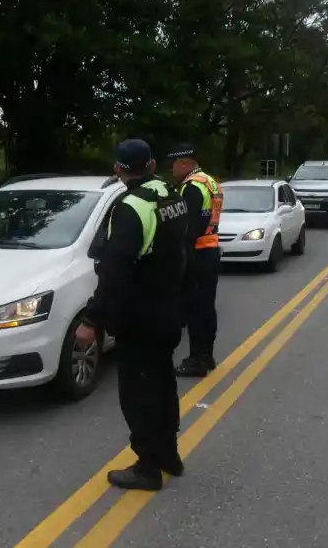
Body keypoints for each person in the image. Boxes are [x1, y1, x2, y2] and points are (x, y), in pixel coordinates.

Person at [75, 138, 189, 491]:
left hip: (141, 316)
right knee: (163, 387)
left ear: (118, 169)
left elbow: (115, 271)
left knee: (139, 394)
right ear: (153, 165)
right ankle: (169, 455)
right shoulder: (170, 195)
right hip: (170, 308)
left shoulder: (130, 207)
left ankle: (147, 467)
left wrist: (91, 320)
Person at [167, 142, 222, 378]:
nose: (170, 170)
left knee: (196, 310)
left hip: (197, 252)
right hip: (210, 248)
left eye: (172, 165)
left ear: (183, 163)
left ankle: (197, 360)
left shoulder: (191, 187)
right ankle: (206, 355)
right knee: (206, 308)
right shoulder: (208, 181)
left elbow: (188, 228)